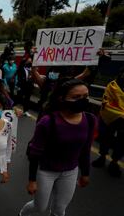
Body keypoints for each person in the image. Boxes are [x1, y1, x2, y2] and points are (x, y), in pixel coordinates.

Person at [19, 78, 97, 216]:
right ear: (62, 98)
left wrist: (85, 173)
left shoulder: (90, 120)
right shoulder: (48, 122)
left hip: (70, 172)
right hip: (46, 172)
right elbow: (34, 153)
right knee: (40, 207)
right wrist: (32, 180)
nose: (82, 100)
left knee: (59, 209)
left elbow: (85, 149)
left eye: (85, 96)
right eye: (76, 97)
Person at [91, 68, 124, 177]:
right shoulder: (112, 86)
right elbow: (106, 102)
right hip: (109, 117)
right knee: (105, 137)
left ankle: (114, 162)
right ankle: (102, 156)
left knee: (121, 142)